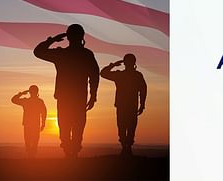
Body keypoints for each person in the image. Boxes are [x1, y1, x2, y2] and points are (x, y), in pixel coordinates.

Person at [34, 24, 99, 158]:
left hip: (68, 97)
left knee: (68, 125)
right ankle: (72, 151)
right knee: (74, 125)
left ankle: (71, 151)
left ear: (68, 37)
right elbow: (94, 76)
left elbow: (38, 51)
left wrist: (52, 40)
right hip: (76, 97)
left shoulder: (62, 54)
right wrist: (93, 95)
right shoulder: (84, 54)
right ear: (82, 37)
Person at [100, 53, 147, 156]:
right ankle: (126, 148)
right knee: (128, 127)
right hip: (128, 106)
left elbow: (103, 73)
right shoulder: (134, 75)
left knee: (124, 127)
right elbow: (143, 90)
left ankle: (126, 147)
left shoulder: (122, 75)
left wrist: (113, 65)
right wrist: (142, 104)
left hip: (125, 106)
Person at [10, 85, 47, 158]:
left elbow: (14, 100)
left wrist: (21, 94)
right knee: (33, 141)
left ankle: (31, 156)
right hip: (33, 124)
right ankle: (31, 156)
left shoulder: (26, 101)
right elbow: (44, 113)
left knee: (29, 141)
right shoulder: (38, 101)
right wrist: (43, 123)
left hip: (29, 124)